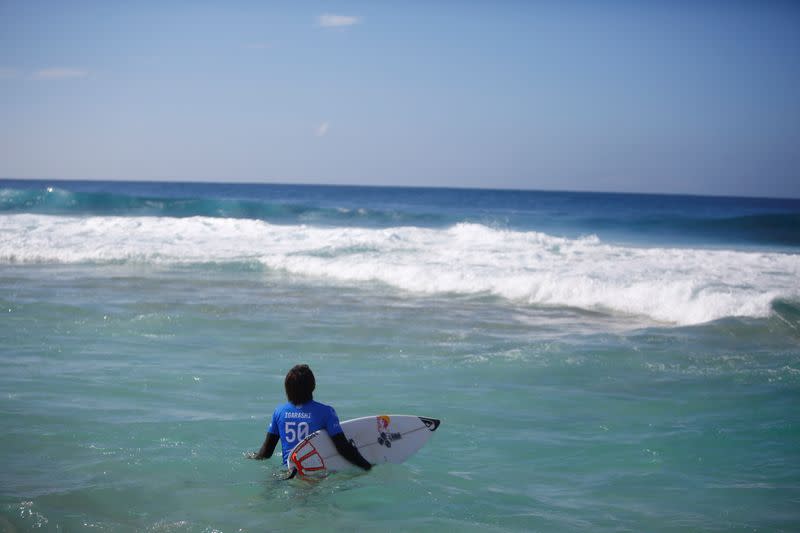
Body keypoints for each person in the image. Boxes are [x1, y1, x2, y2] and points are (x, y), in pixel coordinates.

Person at [248, 364, 371, 472]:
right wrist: (367, 466)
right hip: (315, 474)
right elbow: (342, 448)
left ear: (287, 389)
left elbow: (266, 453)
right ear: (313, 386)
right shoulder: (327, 412)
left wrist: (252, 456)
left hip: (288, 471)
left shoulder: (279, 412)